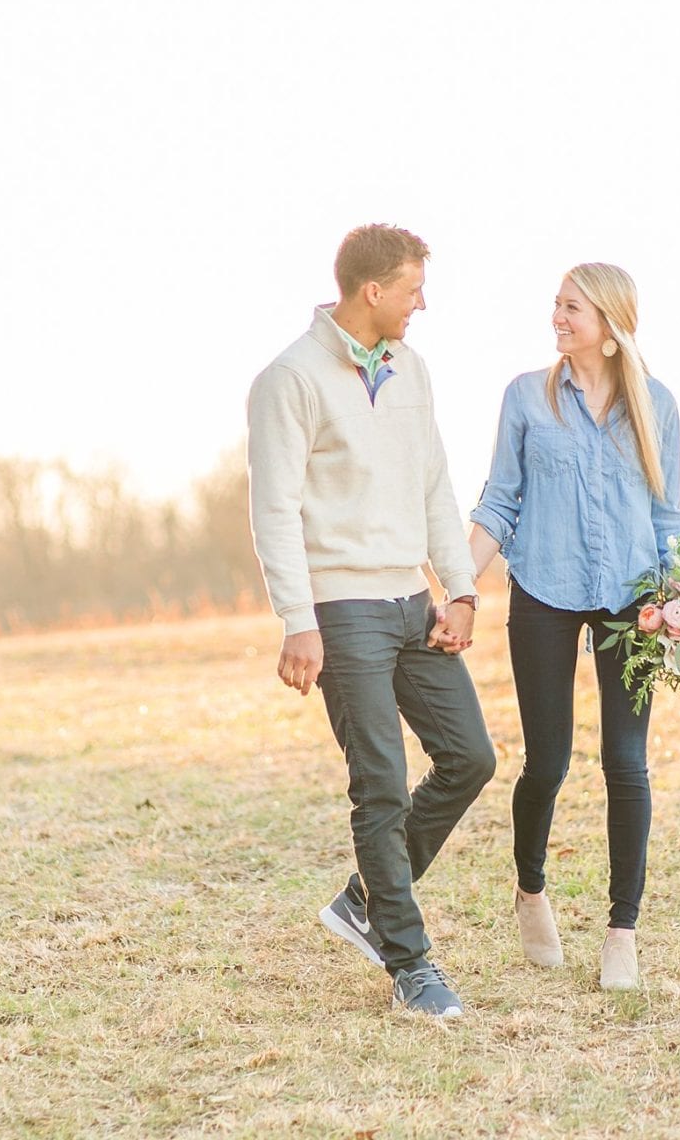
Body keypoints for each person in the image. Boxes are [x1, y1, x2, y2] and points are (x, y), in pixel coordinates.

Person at [247, 223, 495, 1018]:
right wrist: (297, 618)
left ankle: (364, 899)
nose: (422, 303)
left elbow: (433, 484)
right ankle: (410, 964)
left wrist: (459, 590)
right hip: (342, 608)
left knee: (470, 757)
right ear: (372, 290)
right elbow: (274, 510)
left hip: (410, 601)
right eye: (413, 289)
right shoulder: (290, 379)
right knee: (380, 784)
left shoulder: (412, 369)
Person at [466, 262, 680, 991]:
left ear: (611, 326)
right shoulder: (527, 398)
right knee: (548, 763)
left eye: (571, 309)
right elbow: (500, 502)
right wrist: (458, 586)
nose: (557, 319)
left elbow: (667, 516)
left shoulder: (657, 405)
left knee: (626, 763)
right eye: (556, 306)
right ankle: (531, 890)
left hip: (632, 599)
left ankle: (622, 933)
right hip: (544, 591)